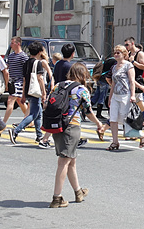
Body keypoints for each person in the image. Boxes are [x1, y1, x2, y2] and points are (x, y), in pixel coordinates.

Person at [49, 63, 103, 208]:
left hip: (57, 125)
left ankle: (78, 192)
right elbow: (88, 111)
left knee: (71, 160)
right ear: (83, 75)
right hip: (71, 126)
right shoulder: (81, 89)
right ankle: (56, 197)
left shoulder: (58, 86)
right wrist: (98, 124)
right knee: (64, 161)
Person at [106, 45, 144, 150]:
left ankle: (142, 135)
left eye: (118, 53)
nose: (116, 55)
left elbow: (132, 81)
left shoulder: (128, 65)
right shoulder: (114, 67)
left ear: (124, 54)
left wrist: (133, 95)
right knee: (113, 119)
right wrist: (110, 97)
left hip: (125, 95)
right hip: (116, 95)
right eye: (115, 53)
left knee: (126, 119)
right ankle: (115, 142)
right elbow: (113, 83)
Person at [8, 42, 47, 145]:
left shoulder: (26, 63)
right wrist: (44, 93)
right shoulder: (38, 63)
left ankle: (39, 136)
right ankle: (16, 131)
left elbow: (24, 80)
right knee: (33, 114)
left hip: (28, 90)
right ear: (39, 52)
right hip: (36, 91)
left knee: (38, 114)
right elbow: (40, 78)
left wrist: (24, 95)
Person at [40, 43, 78, 149]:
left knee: (62, 116)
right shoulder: (70, 66)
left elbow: (54, 77)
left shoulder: (58, 64)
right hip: (66, 94)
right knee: (65, 116)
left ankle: (74, 138)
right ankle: (45, 139)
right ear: (73, 54)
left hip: (57, 91)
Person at [4, 37, 29, 125]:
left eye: (12, 43)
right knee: (19, 101)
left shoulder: (23, 56)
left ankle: (3, 123)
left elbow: (26, 70)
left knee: (10, 100)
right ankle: (29, 120)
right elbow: (7, 66)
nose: (11, 45)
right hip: (12, 81)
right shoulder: (11, 56)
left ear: (18, 44)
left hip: (19, 81)